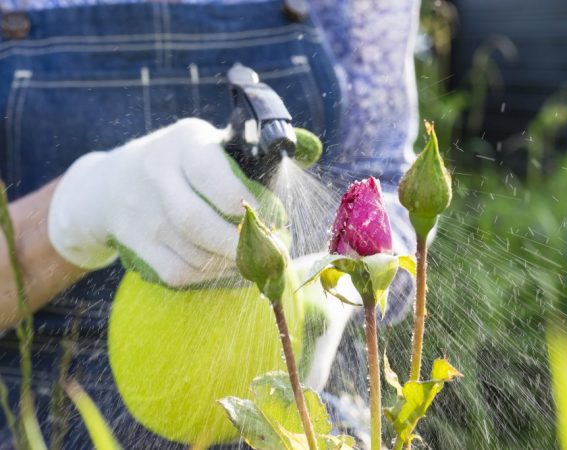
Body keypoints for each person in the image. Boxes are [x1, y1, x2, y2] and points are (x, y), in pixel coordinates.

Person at [0, 0, 419, 447]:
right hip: (44, 418)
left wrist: (342, 290)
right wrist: (76, 210)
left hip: (294, 418)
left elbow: (385, 186)